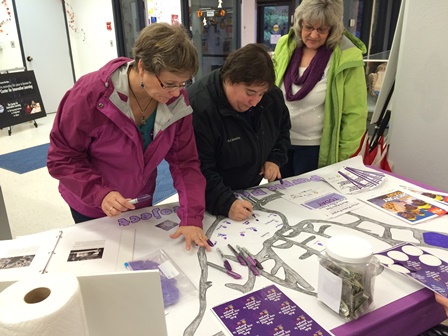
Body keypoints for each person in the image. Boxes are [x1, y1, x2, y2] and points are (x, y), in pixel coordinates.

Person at [47, 23, 210, 251]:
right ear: (142, 67)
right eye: (169, 84)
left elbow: (185, 162)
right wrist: (99, 193)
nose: (176, 92)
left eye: (183, 83)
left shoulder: (176, 101)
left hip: (140, 200)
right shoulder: (90, 95)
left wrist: (191, 217)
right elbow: (62, 159)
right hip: (91, 204)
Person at [187, 43, 291, 221]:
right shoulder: (199, 106)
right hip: (210, 200)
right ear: (229, 79)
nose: (255, 102)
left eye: (261, 94)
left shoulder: (270, 95)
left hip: (248, 192)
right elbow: (197, 169)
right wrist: (226, 203)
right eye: (250, 93)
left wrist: (274, 158)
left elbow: (282, 131)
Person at [273, 0, 368, 177]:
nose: (314, 35)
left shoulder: (346, 56)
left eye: (322, 30)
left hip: (315, 149)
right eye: (308, 27)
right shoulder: (285, 45)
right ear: (299, 24)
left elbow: (355, 113)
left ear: (332, 30)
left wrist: (343, 158)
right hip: (280, 144)